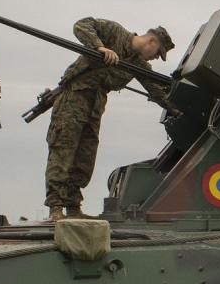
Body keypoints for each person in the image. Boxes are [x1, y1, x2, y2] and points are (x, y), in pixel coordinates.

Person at [44, 18, 177, 222]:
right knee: (64, 149)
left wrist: (177, 110)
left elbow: (157, 91)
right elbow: (81, 25)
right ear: (151, 41)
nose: (155, 59)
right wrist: (100, 47)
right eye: (158, 53)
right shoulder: (115, 32)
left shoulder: (137, 63)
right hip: (75, 96)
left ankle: (73, 206)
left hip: (96, 104)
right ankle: (55, 207)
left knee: (85, 155)